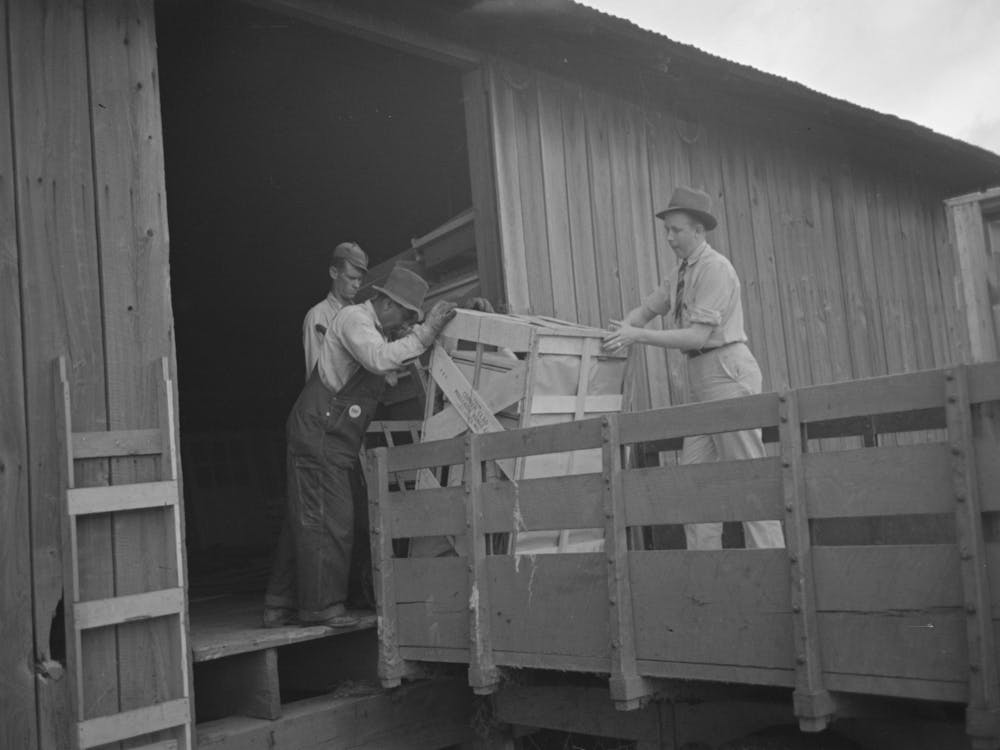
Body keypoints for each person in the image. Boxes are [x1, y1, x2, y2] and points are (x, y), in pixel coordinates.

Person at [264, 265, 457, 628]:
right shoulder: (355, 319)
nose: (403, 322)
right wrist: (425, 334)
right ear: (386, 303)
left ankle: (279, 603)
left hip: (332, 434)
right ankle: (322, 608)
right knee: (331, 519)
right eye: (404, 314)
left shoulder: (371, 328)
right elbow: (378, 359)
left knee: (305, 516)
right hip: (321, 430)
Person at [602, 186, 784, 550]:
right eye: (667, 230)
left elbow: (698, 337)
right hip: (701, 381)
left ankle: (777, 570)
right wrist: (614, 335)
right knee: (694, 485)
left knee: (748, 479)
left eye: (677, 230)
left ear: (699, 231)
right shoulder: (681, 273)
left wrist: (636, 335)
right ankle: (706, 578)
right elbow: (648, 309)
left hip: (727, 374)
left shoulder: (716, 269)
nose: (669, 238)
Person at [302, 241, 369, 380]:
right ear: (334, 272)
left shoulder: (363, 316)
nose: (356, 285)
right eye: (351, 278)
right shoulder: (317, 316)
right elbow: (316, 377)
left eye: (360, 279)